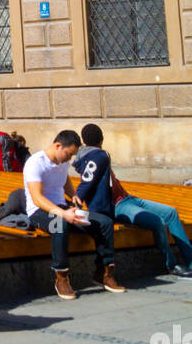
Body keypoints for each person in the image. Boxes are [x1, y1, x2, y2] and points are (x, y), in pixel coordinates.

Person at [78, 124, 192, 277]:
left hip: (129, 198)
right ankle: (170, 265)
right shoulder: (93, 158)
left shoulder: (98, 155)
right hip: (118, 207)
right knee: (157, 221)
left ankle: (190, 261)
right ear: (102, 139)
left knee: (170, 212)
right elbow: (87, 184)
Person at [24, 129, 122, 300]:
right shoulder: (35, 163)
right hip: (40, 211)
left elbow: (65, 179)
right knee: (59, 224)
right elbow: (37, 199)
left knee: (104, 222)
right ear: (58, 146)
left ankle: (104, 272)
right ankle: (61, 277)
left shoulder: (62, 161)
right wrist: (63, 214)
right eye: (69, 154)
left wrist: (73, 194)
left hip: (62, 207)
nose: (69, 159)